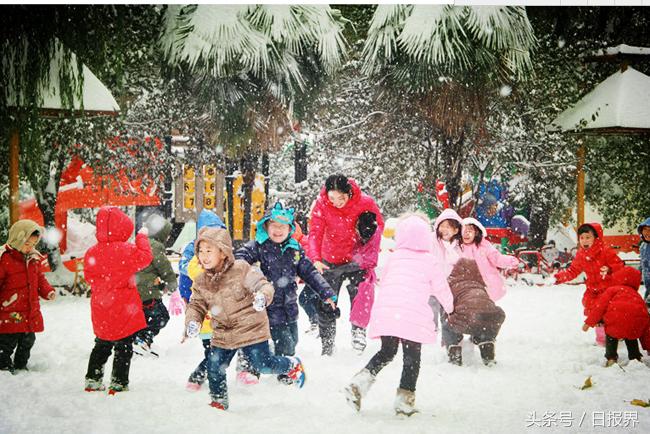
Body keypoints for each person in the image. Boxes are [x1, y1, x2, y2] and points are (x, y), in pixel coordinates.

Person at [183, 226, 306, 410]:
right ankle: (218, 401)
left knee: (263, 365)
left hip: (251, 328)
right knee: (214, 366)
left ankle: (292, 365)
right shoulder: (202, 281)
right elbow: (196, 305)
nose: (204, 256)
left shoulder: (240, 269)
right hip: (224, 332)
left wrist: (262, 296)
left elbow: (263, 284)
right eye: (200, 251)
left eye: (209, 251)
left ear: (223, 252)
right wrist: (193, 321)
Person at [344, 214, 453, 416]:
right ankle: (404, 402)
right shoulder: (430, 260)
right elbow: (441, 288)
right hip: (413, 315)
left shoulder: (394, 257)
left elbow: (385, 281)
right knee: (412, 358)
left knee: (387, 351)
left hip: (387, 312)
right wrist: (451, 307)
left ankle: (359, 383)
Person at [235, 202, 336, 384]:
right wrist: (247, 270)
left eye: (283, 227)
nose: (278, 230)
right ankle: (249, 368)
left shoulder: (294, 250)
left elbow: (310, 272)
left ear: (290, 229)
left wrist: (326, 292)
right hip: (262, 306)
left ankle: (286, 370)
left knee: (290, 342)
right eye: (274, 226)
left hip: (287, 306)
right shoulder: (259, 246)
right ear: (266, 226)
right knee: (254, 337)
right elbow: (240, 258)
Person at [308, 174, 384, 356]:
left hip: (356, 259)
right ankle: (327, 343)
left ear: (349, 193)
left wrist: (368, 228)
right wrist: (316, 258)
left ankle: (358, 330)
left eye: (341, 198)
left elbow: (379, 226)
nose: (336, 202)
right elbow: (315, 232)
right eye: (332, 198)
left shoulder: (365, 202)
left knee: (360, 295)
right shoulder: (322, 204)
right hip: (330, 260)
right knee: (327, 301)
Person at [83, 206, 153, 394]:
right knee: (123, 346)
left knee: (102, 343)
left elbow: (89, 277)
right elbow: (146, 258)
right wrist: (142, 237)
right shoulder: (127, 250)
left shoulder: (92, 252)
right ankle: (119, 381)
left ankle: (93, 378)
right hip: (123, 306)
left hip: (101, 305)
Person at [177, 209, 228, 390]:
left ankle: (206, 375)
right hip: (204, 308)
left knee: (220, 348)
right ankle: (200, 376)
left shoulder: (223, 251)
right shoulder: (194, 251)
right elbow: (184, 268)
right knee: (213, 350)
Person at [550, 223, 625, 346]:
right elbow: (573, 271)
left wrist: (610, 269)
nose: (584, 240)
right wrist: (558, 278)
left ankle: (617, 336)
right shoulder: (581, 255)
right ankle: (602, 340)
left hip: (609, 290)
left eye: (588, 237)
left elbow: (620, 266)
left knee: (611, 315)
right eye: (581, 238)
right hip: (593, 291)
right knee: (596, 315)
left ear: (596, 238)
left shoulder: (606, 252)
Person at [0, 220, 56, 373]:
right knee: (7, 340)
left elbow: (40, 279)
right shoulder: (4, 259)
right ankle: (3, 364)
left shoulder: (33, 259)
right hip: (10, 309)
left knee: (28, 339)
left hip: (29, 309)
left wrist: (48, 291)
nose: (30, 248)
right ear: (17, 240)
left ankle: (21, 364)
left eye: (33, 245)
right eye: (27, 244)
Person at [442, 258, 506, 366]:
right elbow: (484, 304)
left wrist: (452, 322)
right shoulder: (480, 285)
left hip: (466, 317)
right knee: (484, 322)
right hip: (492, 317)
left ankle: (454, 351)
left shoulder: (452, 285)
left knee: (447, 326)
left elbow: (447, 308)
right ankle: (487, 345)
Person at [582, 266, 650, 366]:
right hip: (634, 323)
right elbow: (645, 316)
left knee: (611, 335)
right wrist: (648, 345)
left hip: (615, 319)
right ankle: (635, 357)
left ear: (618, 277)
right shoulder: (636, 294)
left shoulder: (612, 290)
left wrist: (588, 323)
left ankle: (611, 357)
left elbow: (600, 307)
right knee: (631, 335)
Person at [133, 214, 178, 356]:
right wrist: (172, 283)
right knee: (161, 317)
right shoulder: (155, 246)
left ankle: (140, 341)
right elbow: (164, 267)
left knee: (143, 318)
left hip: (136, 288)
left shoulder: (139, 242)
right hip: (147, 290)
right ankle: (141, 340)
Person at [460, 217, 519, 302]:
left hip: (486, 284)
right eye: (463, 231)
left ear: (476, 233)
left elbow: (497, 258)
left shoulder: (484, 246)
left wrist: (510, 261)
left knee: (483, 307)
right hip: (468, 286)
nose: (466, 234)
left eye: (469, 231)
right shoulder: (458, 247)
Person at [349, 211, 381, 333]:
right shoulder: (354, 229)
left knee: (362, 296)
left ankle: (359, 330)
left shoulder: (374, 232)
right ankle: (358, 330)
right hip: (349, 265)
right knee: (361, 297)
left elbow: (370, 256)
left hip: (361, 270)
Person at [638, 217, 650, 304]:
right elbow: (642, 265)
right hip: (648, 287)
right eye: (645, 229)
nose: (647, 232)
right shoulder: (643, 246)